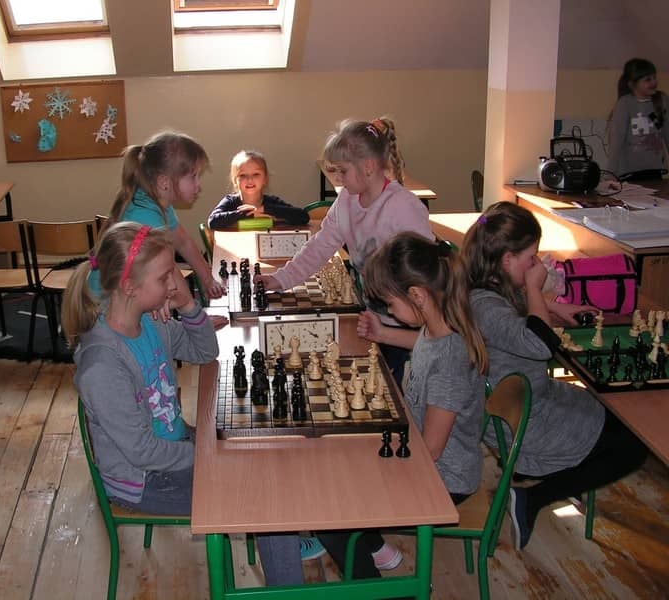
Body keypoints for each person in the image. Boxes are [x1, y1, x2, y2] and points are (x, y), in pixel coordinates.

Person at [63, 222, 303, 586]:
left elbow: (204, 351)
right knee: (266, 498)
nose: (173, 284)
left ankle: (282, 554)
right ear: (130, 287)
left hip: (174, 445)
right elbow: (142, 452)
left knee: (262, 460)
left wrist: (189, 306)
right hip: (142, 479)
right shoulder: (103, 366)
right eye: (164, 278)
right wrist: (207, 455)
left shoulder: (148, 322)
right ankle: (287, 582)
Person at [461, 201, 647, 551]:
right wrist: (536, 290)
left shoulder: (485, 286)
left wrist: (555, 305)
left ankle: (568, 470)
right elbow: (540, 344)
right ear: (507, 260)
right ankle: (534, 497)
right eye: (531, 257)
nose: (536, 263)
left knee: (616, 416)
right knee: (633, 445)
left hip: (531, 398)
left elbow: (514, 305)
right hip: (521, 421)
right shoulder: (485, 305)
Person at [315, 233, 489, 579]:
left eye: (391, 305)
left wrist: (370, 462)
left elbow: (430, 450)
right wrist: (382, 335)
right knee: (336, 465)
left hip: (443, 479)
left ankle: (378, 589)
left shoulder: (450, 362)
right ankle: (376, 547)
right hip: (421, 456)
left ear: (417, 295)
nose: (390, 312)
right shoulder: (436, 329)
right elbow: (423, 346)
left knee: (329, 514)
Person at [254, 117, 434, 386]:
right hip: (372, 315)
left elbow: (427, 272)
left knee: (390, 390)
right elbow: (320, 245)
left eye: (343, 171)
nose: (337, 178)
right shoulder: (347, 200)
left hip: (405, 323)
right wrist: (282, 279)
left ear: (368, 167)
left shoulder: (402, 207)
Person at [105, 132, 227, 302]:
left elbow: (183, 242)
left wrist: (208, 280)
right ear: (164, 182)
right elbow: (170, 271)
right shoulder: (147, 216)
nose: (198, 185)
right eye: (193, 176)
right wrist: (195, 314)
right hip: (113, 304)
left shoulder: (158, 201)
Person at [207, 150, 310, 230]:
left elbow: (303, 217)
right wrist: (248, 213)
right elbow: (213, 221)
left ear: (265, 179)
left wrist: (263, 209)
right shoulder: (230, 201)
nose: (250, 180)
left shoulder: (271, 202)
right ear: (235, 181)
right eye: (243, 175)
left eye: (256, 174)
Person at [608, 58, 669, 180]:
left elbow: (666, 132)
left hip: (654, 169)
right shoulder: (625, 104)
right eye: (648, 80)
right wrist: (611, 172)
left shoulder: (661, 100)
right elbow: (617, 140)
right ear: (632, 84)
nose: (654, 82)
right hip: (630, 172)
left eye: (654, 77)